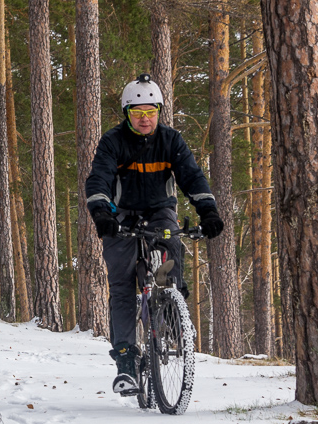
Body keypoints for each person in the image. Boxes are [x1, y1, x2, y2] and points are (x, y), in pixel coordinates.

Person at [85, 73, 224, 395]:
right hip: (120, 215)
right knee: (121, 286)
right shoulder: (113, 141)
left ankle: (171, 308)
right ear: (126, 114)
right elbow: (99, 179)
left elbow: (192, 176)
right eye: (137, 113)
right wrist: (102, 213)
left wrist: (209, 211)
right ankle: (126, 361)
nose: (145, 118)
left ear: (159, 111)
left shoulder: (171, 140)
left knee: (171, 244)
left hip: (159, 210)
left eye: (151, 111)